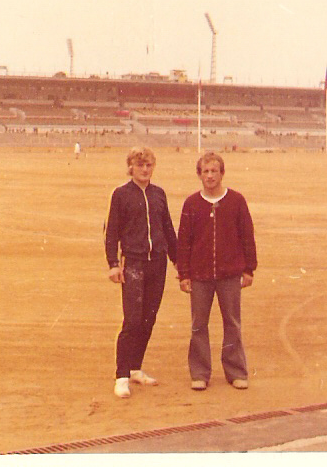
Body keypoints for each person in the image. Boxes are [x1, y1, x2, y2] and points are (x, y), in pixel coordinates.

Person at [177, 152, 257, 391]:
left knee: (232, 323)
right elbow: (184, 242)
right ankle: (200, 372)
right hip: (200, 276)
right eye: (205, 171)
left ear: (222, 173)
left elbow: (247, 236)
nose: (210, 176)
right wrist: (184, 274)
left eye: (214, 171)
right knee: (198, 324)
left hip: (229, 274)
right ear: (199, 175)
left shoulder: (236, 201)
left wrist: (249, 268)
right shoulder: (191, 204)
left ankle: (236, 371)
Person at [104, 146, 177, 398]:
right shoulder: (121, 195)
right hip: (133, 263)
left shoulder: (159, 194)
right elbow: (111, 231)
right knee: (132, 320)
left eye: (148, 165)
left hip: (158, 263)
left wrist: (179, 262)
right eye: (140, 165)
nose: (145, 169)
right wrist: (113, 263)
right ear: (131, 167)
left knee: (149, 319)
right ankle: (121, 375)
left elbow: (168, 229)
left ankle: (136, 367)